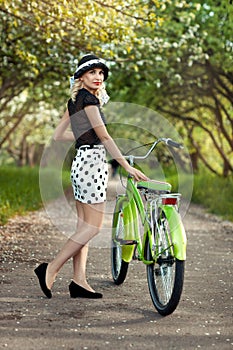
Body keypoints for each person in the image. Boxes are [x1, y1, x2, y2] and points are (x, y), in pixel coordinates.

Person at [34, 54, 148, 299]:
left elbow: (58, 136)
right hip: (92, 164)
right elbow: (105, 137)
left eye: (101, 73)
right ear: (81, 77)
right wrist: (126, 167)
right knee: (93, 228)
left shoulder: (74, 100)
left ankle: (79, 281)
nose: (98, 77)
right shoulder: (89, 101)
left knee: (83, 226)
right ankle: (50, 269)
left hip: (81, 162)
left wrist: (83, 137)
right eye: (92, 73)